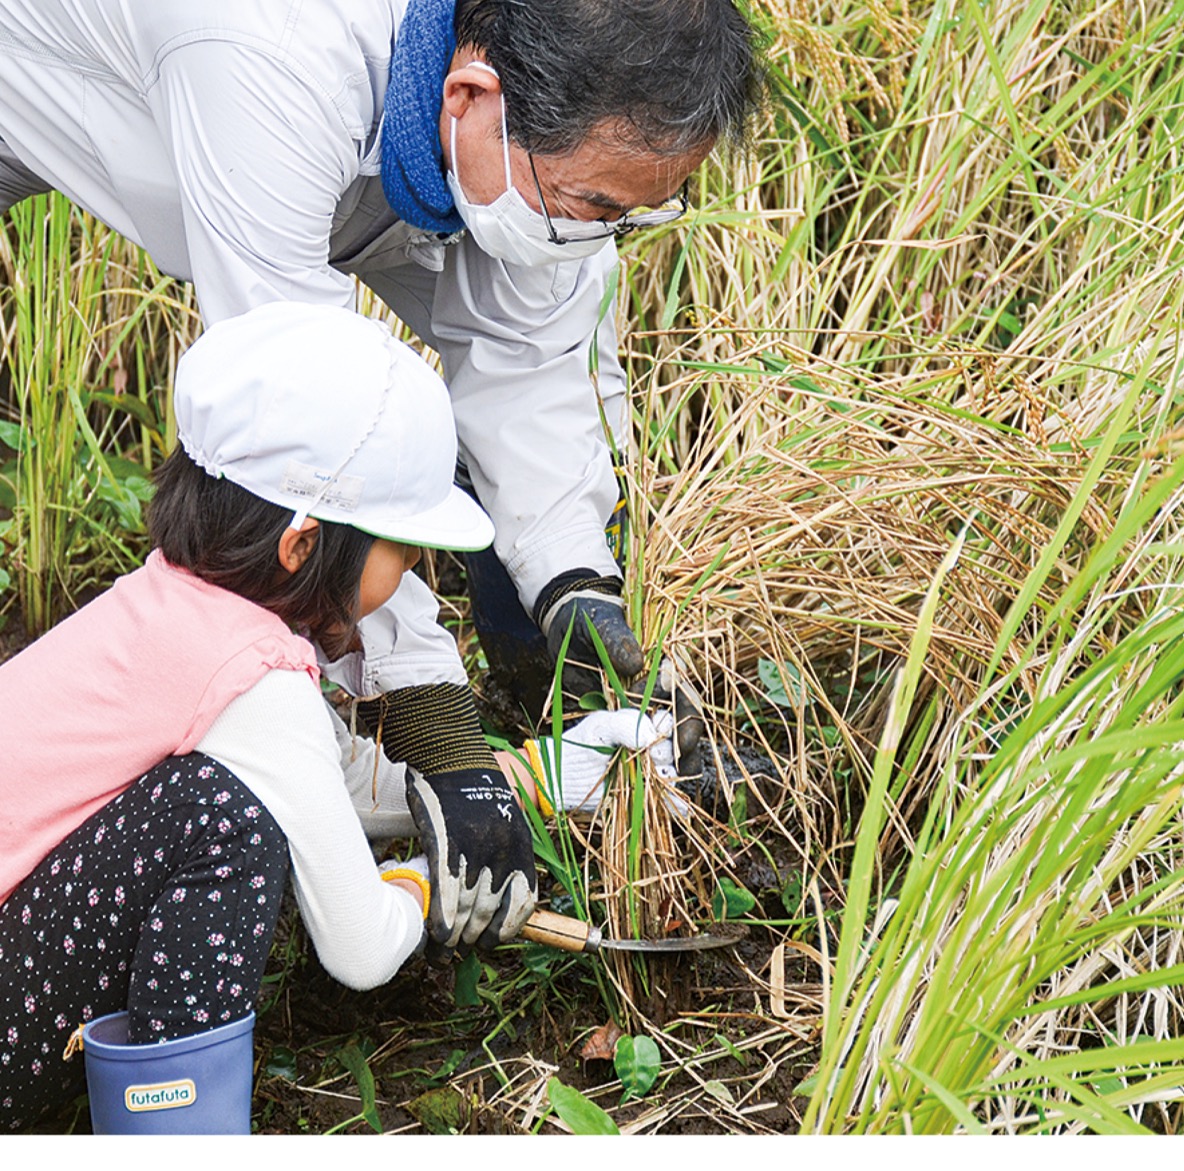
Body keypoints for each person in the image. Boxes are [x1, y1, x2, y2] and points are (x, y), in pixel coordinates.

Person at [0, 0, 763, 944]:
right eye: (594, 205)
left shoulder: (536, 136)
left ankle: (546, 703)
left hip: (339, 152)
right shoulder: (269, 52)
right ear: (470, 95)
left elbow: (531, 368)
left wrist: (576, 586)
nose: (597, 232)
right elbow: (312, 455)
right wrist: (435, 725)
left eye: (629, 212)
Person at [0, 302, 682, 1133]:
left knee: (227, 805)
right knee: (225, 820)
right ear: (302, 544)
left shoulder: (168, 611)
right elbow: (363, 948)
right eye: (400, 546)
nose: (416, 564)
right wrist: (423, 884)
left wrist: (548, 774)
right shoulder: (258, 683)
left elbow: (328, 782)